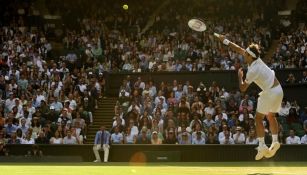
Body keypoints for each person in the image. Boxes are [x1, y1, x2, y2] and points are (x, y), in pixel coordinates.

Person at [215, 34, 283, 160]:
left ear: (250, 56)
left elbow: (242, 89)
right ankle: (275, 141)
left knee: (258, 118)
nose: (243, 54)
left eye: (246, 54)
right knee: (271, 116)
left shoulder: (253, 71)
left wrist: (240, 76)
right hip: (279, 90)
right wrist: (224, 40)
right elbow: (238, 48)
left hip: (269, 92)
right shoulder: (256, 59)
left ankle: (262, 145)